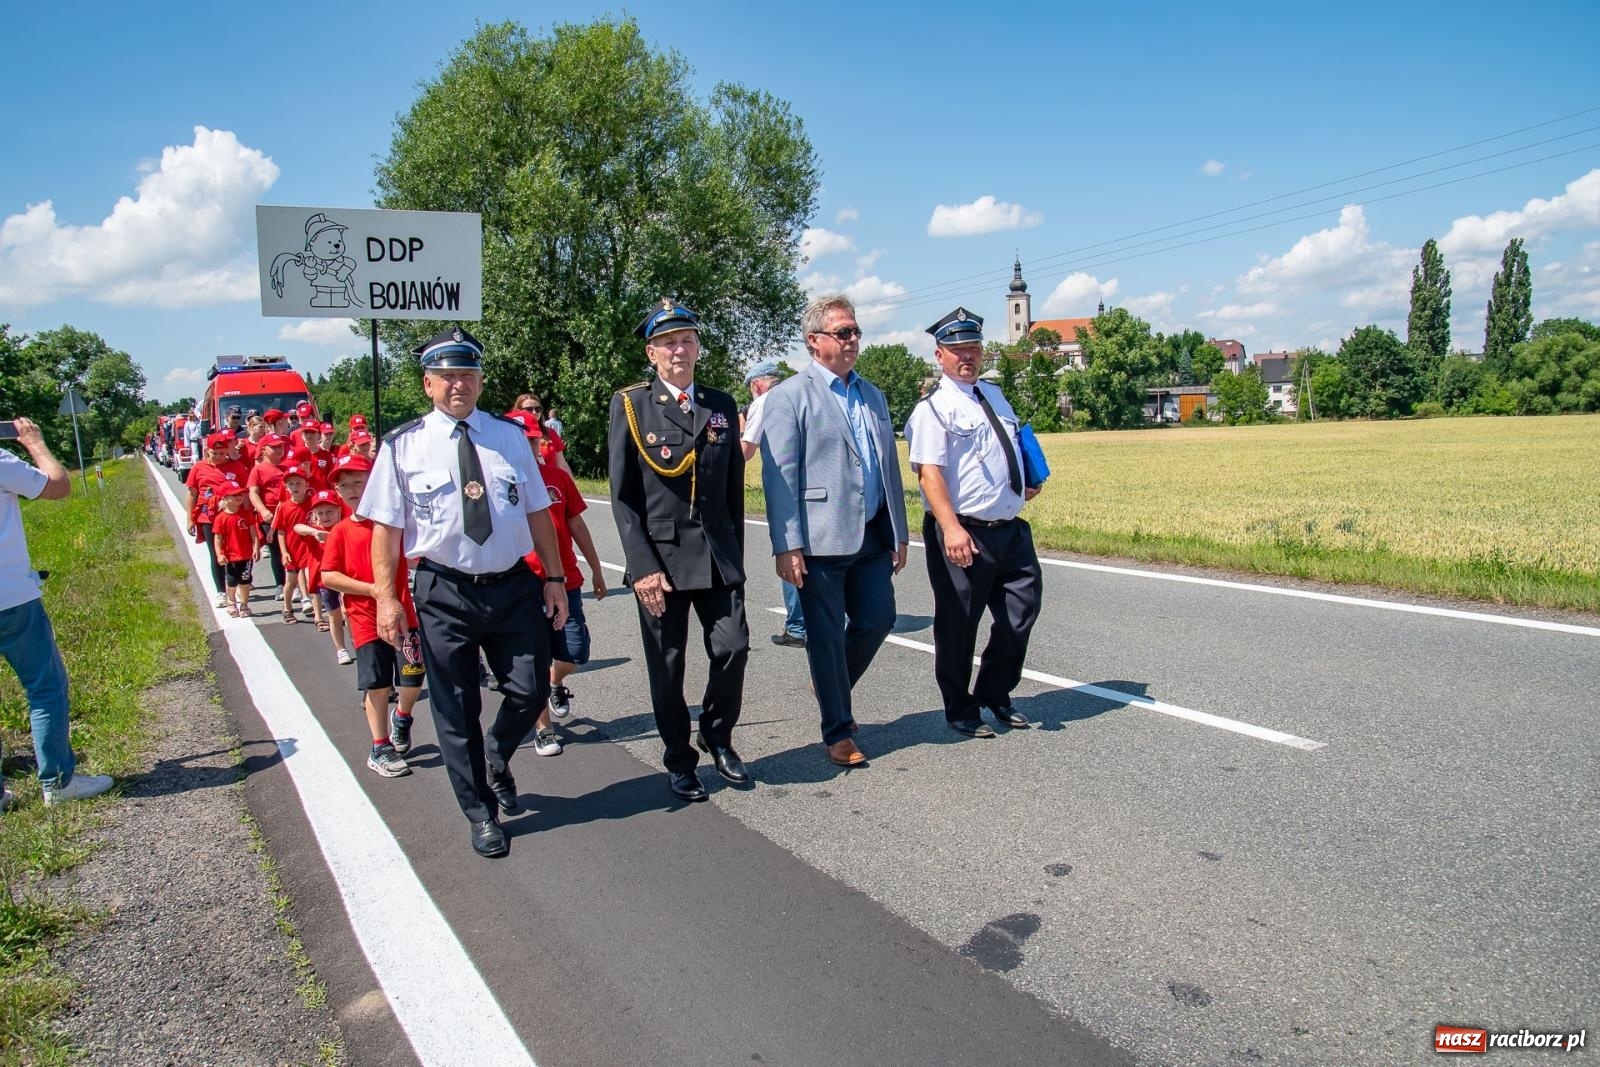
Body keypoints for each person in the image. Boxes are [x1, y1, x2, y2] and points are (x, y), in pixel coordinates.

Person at [360, 326, 568, 859]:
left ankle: (496, 755)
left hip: (512, 586)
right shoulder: (402, 445)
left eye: (468, 375)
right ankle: (481, 813)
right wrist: (387, 598)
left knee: (528, 689)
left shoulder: (509, 435)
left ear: (480, 381)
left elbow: (539, 511)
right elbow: (386, 528)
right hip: (444, 589)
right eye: (448, 376)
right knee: (455, 707)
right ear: (428, 384)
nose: (460, 385)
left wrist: (554, 577)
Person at [760, 293, 909, 768]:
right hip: (819, 538)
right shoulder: (788, 397)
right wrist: (787, 545)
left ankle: (830, 680)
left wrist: (900, 532)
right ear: (814, 341)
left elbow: (888, 465)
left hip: (870, 533)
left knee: (878, 619)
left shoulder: (871, 393)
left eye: (856, 331)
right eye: (843, 332)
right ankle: (838, 731)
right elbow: (778, 477)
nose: (853, 340)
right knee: (824, 636)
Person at [609, 300, 750, 801]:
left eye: (687, 339)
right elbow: (624, 500)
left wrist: (736, 553)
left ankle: (718, 736)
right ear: (651, 353)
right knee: (668, 667)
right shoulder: (631, 405)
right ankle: (679, 758)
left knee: (733, 647)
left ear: (697, 347)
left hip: (716, 556)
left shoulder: (720, 403)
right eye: (668, 342)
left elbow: (732, 490)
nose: (679, 349)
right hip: (662, 564)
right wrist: (641, 567)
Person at [904, 308, 1044, 737]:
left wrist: (1026, 479)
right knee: (959, 624)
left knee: (1021, 612)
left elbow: (1012, 442)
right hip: (963, 530)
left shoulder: (994, 395)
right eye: (958, 350)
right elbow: (929, 473)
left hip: (1010, 530)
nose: (968, 356)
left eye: (974, 348)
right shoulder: (933, 409)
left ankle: (995, 693)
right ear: (939, 354)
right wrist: (950, 528)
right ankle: (960, 707)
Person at [0, 418, 114, 808]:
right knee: (45, 689)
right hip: (9, 596)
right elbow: (58, 486)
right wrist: (34, 443)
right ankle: (59, 781)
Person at [504, 411, 607, 755]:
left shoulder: (557, 479)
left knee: (576, 650)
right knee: (533, 657)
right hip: (522, 584)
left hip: (565, 580)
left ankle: (553, 683)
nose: (531, 445)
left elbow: (577, 526)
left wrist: (596, 568)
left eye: (534, 439)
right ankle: (543, 729)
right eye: (524, 439)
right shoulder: (498, 484)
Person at [319, 453, 423, 778]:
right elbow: (328, 576)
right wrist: (372, 590)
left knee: (413, 676)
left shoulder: (397, 523)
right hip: (365, 619)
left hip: (405, 614)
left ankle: (402, 717)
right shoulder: (340, 532)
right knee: (377, 684)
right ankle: (380, 746)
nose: (352, 490)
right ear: (337, 493)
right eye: (345, 485)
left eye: (359, 482)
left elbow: (418, 554)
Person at [739, 358, 806, 648]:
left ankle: (797, 626)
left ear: (756, 385)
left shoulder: (763, 402)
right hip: (817, 489)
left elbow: (745, 451)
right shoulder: (800, 393)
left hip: (786, 490)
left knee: (789, 551)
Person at [185, 433, 250, 609]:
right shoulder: (198, 468)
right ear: (207, 451)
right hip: (208, 516)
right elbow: (192, 493)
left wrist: (250, 516)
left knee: (237, 552)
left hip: (234, 517)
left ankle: (235, 584)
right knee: (217, 553)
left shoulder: (236, 467)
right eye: (215, 453)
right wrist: (190, 518)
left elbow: (245, 494)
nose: (220, 457)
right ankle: (221, 591)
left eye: (222, 453)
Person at [297, 490, 351, 661]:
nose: (325, 516)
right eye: (320, 513)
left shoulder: (344, 528)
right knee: (334, 615)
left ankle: (356, 642)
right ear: (314, 515)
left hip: (346, 579)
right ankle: (341, 649)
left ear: (338, 512)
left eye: (329, 511)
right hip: (324, 582)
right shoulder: (314, 531)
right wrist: (315, 533)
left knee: (349, 613)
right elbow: (297, 527)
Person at [247, 433, 289, 595]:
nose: (279, 449)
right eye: (275, 447)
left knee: (291, 549)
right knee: (276, 550)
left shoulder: (287, 467)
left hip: (288, 514)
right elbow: (253, 492)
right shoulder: (258, 470)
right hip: (269, 516)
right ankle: (280, 584)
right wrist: (263, 510)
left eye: (281, 446)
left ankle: (296, 584)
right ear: (264, 450)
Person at [271, 464, 314, 622]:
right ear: (286, 487)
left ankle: (315, 610)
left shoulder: (312, 503)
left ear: (306, 484)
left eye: (298, 483)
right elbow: (281, 532)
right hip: (292, 549)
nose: (295, 487)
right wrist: (284, 552)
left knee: (312, 580)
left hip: (309, 549)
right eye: (291, 484)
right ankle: (287, 608)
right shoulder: (284, 507)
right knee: (290, 582)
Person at [213, 486, 261, 617]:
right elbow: (218, 538)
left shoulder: (246, 514)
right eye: (235, 495)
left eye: (240, 494)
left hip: (246, 555)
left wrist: (256, 547)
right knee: (232, 580)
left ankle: (244, 605)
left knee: (245, 580)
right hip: (231, 556)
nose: (239, 497)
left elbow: (253, 532)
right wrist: (219, 554)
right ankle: (231, 601)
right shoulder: (221, 518)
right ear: (226, 498)